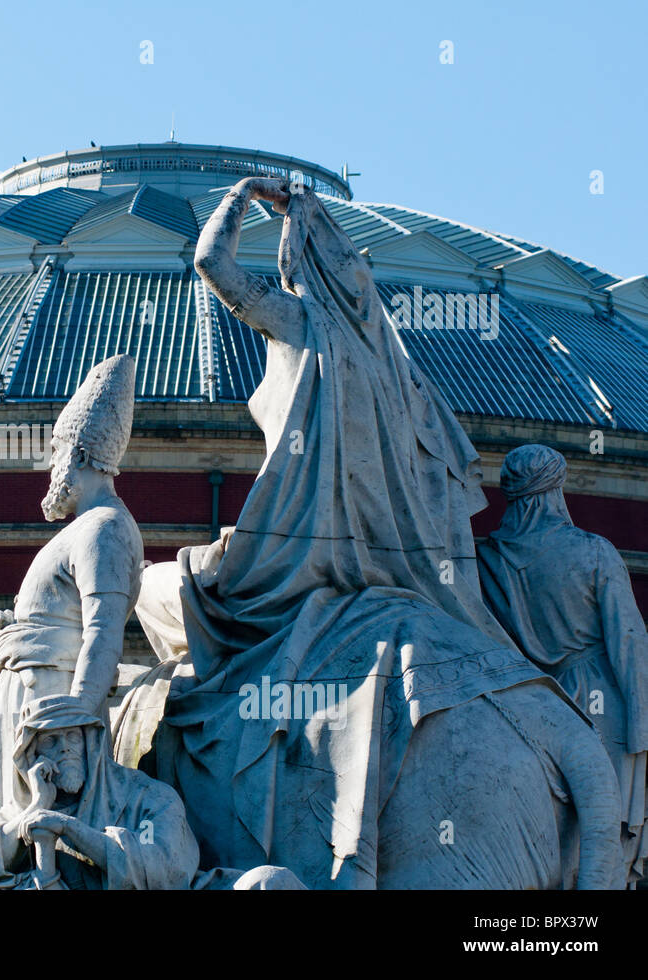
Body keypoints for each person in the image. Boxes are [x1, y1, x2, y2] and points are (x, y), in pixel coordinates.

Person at [124, 177, 565, 887]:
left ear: (300, 270)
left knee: (158, 588)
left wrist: (241, 198)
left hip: (281, 566)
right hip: (393, 575)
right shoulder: (400, 374)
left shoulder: (298, 322)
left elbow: (211, 262)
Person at [0, 355, 143, 825]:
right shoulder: (84, 528)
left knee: (35, 830)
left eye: (57, 451)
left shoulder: (104, 530)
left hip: (50, 706)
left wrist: (77, 718)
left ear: (81, 455)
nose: (50, 464)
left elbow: (102, 633)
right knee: (10, 831)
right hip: (30, 694)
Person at [478, 444, 648, 883]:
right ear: (556, 488)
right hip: (599, 702)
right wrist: (642, 727)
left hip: (525, 705)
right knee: (606, 828)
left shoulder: (486, 560)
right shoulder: (594, 551)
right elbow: (629, 642)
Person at [0, 694, 198, 890]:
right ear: (31, 756)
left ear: (89, 744)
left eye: (72, 737)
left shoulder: (144, 796)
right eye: (50, 741)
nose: (65, 749)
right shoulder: (20, 810)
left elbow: (164, 869)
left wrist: (70, 828)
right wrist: (36, 809)